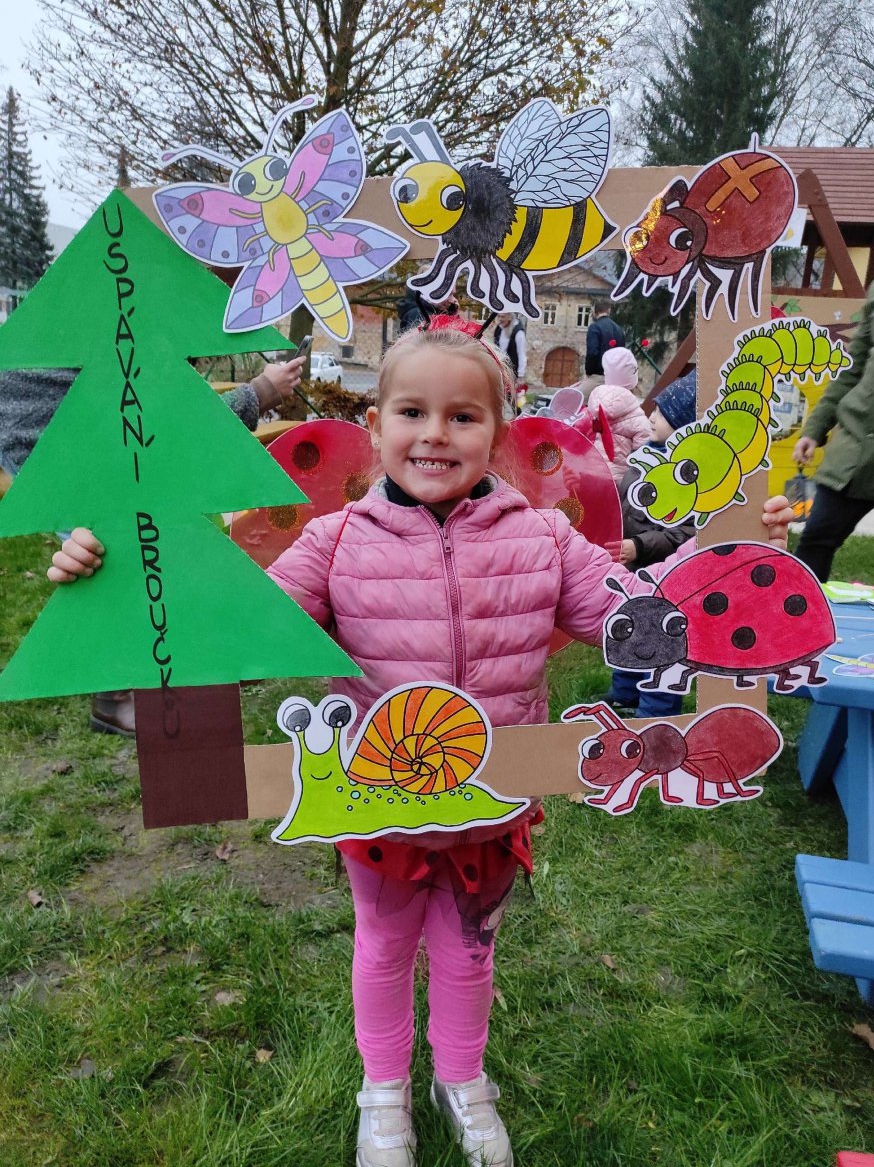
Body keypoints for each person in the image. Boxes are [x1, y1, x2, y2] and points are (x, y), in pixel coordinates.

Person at [49, 321, 793, 1167]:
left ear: (496, 434)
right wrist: (110, 582)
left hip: (493, 803)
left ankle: (463, 1081)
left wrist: (727, 553)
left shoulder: (543, 538)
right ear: (376, 428)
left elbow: (636, 620)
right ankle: (384, 1095)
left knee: (470, 950)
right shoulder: (333, 544)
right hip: (382, 809)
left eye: (462, 416)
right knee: (384, 946)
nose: (435, 434)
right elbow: (236, 634)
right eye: (412, 412)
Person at [3, 355, 304, 735]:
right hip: (66, 453)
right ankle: (124, 693)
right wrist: (262, 391)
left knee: (121, 558)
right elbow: (171, 431)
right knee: (121, 557)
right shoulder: (114, 345)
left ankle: (136, 685)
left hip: (54, 447)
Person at [792, 265, 874, 581]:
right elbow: (853, 369)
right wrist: (815, 429)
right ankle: (801, 611)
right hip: (859, 446)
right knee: (816, 538)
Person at [605, 371, 697, 718]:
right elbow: (623, 498)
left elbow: (688, 532)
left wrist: (641, 545)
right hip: (634, 572)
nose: (652, 417)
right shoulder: (645, 454)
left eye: (663, 413)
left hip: (668, 576)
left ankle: (657, 711)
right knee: (628, 629)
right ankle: (624, 693)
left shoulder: (691, 475)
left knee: (663, 641)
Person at [586, 347, 651, 482]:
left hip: (589, 477)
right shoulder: (638, 419)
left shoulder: (592, 409)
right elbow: (644, 459)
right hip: (618, 485)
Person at [582, 300, 625, 396]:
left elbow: (592, 352)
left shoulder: (595, 327)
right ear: (608, 311)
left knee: (577, 398)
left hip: (599, 375)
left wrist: (589, 372)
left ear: (594, 312)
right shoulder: (619, 329)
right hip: (615, 378)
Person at [493, 312, 527, 389]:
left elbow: (521, 354)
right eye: (499, 316)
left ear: (510, 317)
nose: (500, 319)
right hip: (499, 368)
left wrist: (520, 375)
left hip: (512, 370)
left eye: (503, 317)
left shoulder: (518, 332)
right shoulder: (499, 328)